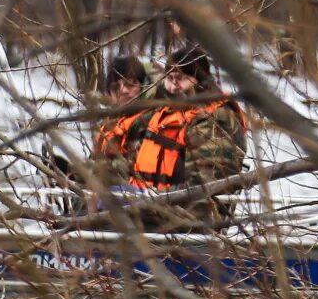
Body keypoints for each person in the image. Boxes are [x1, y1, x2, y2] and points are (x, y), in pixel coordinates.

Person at [125, 44, 248, 193]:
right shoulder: (165, 112)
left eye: (181, 79)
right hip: (144, 200)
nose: (173, 87)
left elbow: (204, 188)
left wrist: (151, 202)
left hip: (175, 209)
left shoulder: (214, 119)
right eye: (169, 78)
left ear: (200, 81)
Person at [93, 54, 152, 182]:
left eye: (130, 84)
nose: (123, 91)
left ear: (143, 88)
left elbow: (138, 169)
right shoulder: (106, 124)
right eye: (116, 86)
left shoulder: (150, 122)